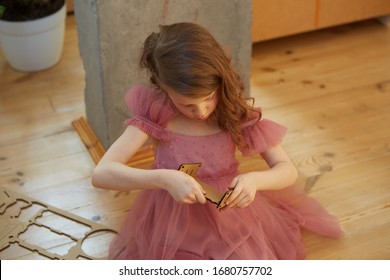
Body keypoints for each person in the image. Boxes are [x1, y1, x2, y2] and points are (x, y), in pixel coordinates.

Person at [91, 22, 343, 260]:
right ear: (161, 85)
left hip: (229, 215)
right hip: (173, 218)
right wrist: (163, 178)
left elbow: (287, 171)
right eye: (186, 103)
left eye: (209, 97)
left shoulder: (234, 111)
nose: (201, 111)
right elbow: (102, 174)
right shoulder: (157, 112)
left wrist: (255, 180)